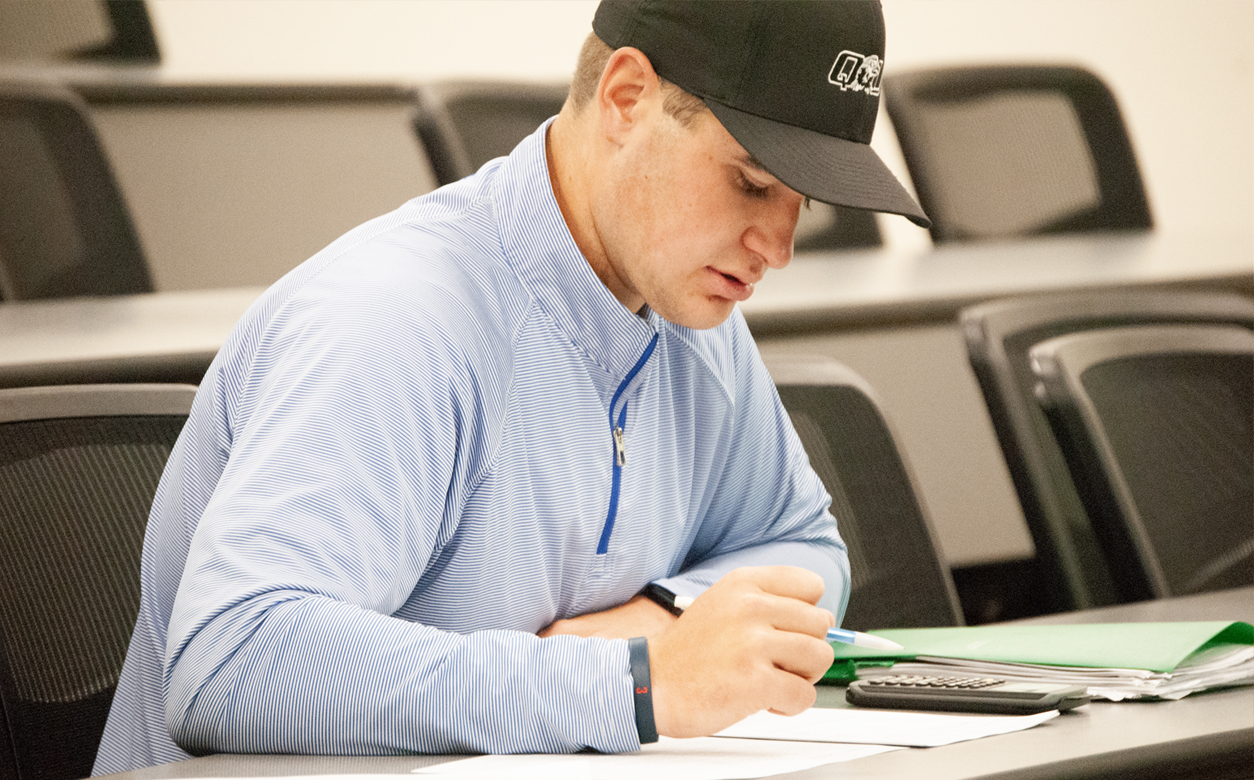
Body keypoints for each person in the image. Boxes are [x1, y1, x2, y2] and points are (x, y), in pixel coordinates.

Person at [93, 0, 928, 773]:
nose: (778, 247)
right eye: (751, 181)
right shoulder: (395, 319)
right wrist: (628, 683)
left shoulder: (689, 319)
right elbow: (233, 660)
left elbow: (807, 548)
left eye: (804, 203)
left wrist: (666, 616)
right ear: (627, 97)